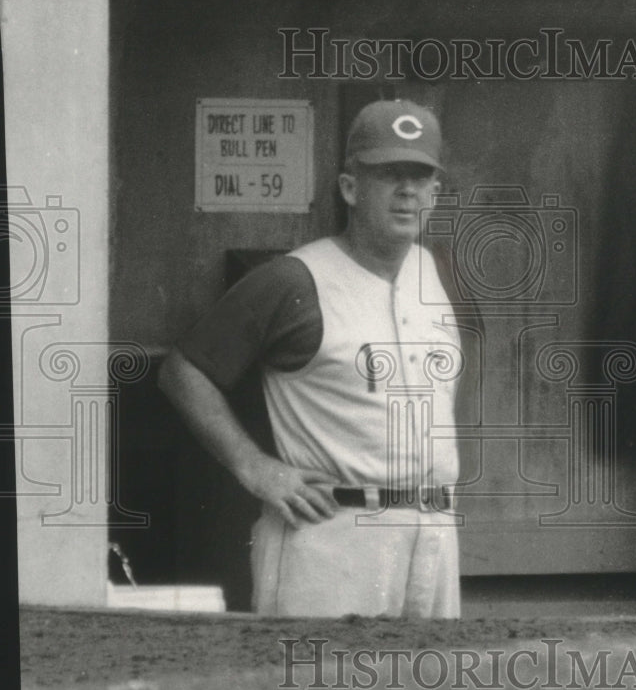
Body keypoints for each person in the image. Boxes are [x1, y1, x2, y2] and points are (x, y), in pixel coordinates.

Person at [159, 99, 463, 618]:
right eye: (389, 174)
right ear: (350, 188)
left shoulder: (433, 271)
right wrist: (253, 466)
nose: (408, 191)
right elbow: (183, 371)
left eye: (420, 176)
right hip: (333, 535)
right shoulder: (294, 280)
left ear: (435, 191)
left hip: (432, 532)